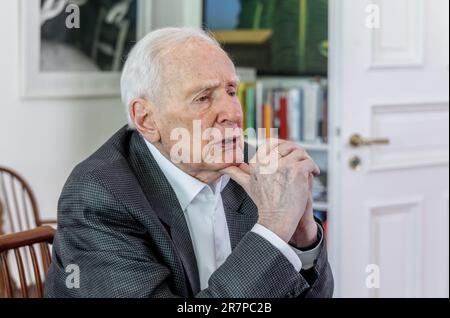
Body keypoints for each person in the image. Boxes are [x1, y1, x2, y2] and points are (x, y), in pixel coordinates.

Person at [44, 27, 333, 298]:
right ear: (146, 119)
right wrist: (273, 228)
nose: (232, 113)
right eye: (203, 98)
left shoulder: (250, 165)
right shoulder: (99, 195)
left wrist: (301, 234)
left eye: (231, 91)